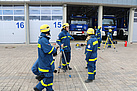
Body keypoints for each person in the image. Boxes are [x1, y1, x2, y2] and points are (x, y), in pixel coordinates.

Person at [34, 24, 58, 91]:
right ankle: (38, 88)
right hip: (46, 64)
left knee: (50, 79)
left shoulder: (42, 39)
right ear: (47, 31)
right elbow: (48, 50)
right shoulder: (43, 40)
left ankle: (49, 89)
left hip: (44, 62)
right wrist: (54, 49)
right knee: (48, 78)